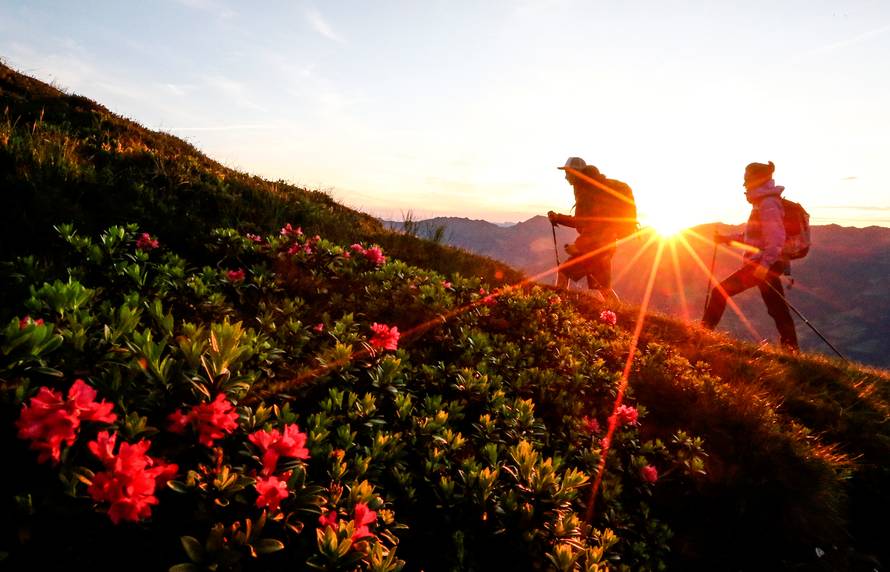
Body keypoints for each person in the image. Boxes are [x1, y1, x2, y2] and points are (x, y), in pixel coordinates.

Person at [701, 161, 799, 351]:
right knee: (777, 308)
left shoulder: (768, 204)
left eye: (747, 179)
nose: (744, 184)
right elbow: (754, 237)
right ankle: (792, 350)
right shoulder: (764, 202)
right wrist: (725, 239)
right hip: (769, 263)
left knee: (719, 292)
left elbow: (776, 239)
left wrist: (764, 266)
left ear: (756, 180)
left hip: (763, 264)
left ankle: (702, 334)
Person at [547, 156, 622, 303]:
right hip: (605, 246)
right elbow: (583, 221)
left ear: (576, 173)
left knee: (564, 271)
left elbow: (593, 224)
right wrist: (558, 218)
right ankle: (620, 312)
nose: (565, 177)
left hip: (594, 247)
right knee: (601, 286)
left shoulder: (587, 193)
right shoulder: (589, 189)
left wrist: (579, 246)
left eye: (567, 173)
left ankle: (556, 306)